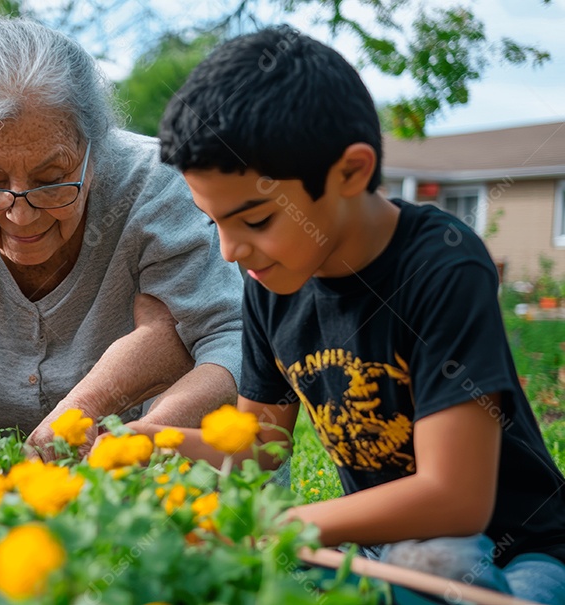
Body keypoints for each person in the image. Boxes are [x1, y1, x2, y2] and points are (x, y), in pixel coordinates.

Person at [134, 26, 565, 604]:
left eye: (256, 220)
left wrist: (291, 525)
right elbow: (261, 447)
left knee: (443, 568)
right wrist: (152, 440)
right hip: (377, 549)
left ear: (351, 171)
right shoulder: (271, 283)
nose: (229, 251)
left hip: (519, 550)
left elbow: (456, 499)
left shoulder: (443, 267)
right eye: (214, 222)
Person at [0, 17, 244, 461]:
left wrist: (145, 437)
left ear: (95, 154)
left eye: (52, 180)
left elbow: (228, 339)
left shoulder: (157, 187)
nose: (21, 213)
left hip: (152, 459)